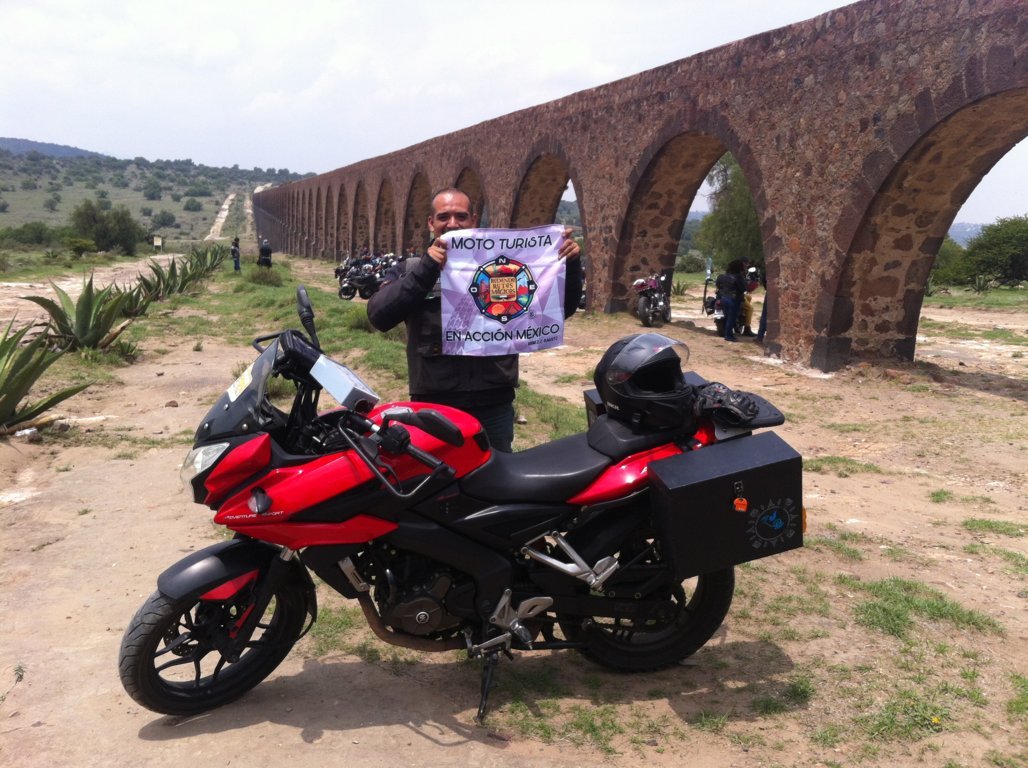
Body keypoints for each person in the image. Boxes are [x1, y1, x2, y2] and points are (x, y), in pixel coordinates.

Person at [367, 188, 583, 452]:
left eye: (461, 216)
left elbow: (562, 309)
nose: (452, 223)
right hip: (434, 404)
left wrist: (570, 265)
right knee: (436, 485)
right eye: (443, 216)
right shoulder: (411, 269)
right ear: (431, 223)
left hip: (493, 404)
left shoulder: (503, 266)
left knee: (495, 484)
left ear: (474, 219)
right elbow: (379, 316)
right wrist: (427, 268)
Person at [715, 260, 746, 342]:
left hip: (723, 298)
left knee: (727, 317)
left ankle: (726, 333)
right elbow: (743, 288)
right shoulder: (738, 277)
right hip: (733, 299)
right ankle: (729, 335)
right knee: (731, 318)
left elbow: (718, 285)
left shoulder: (725, 276)